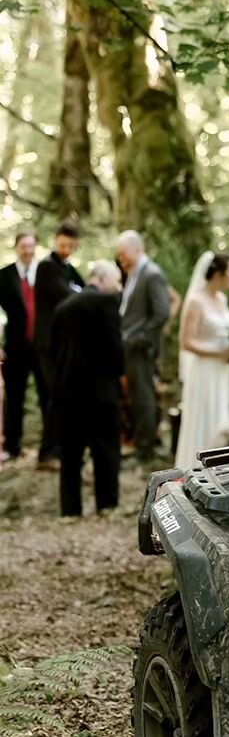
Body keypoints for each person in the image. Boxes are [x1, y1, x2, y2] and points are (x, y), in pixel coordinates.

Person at [51, 260, 124, 518]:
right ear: (102, 280)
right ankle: (107, 504)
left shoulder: (63, 307)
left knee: (71, 454)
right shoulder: (105, 303)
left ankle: (70, 510)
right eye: (116, 282)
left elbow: (53, 352)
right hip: (99, 390)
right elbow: (116, 350)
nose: (118, 288)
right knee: (105, 449)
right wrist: (119, 375)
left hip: (66, 391)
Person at [174, 251, 229, 468]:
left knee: (219, 417)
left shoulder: (222, 299)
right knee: (202, 418)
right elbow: (186, 342)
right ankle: (192, 467)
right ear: (218, 274)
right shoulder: (195, 301)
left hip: (223, 371)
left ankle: (216, 467)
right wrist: (218, 353)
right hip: (203, 370)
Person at [115, 230, 171, 462]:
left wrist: (139, 339)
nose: (121, 259)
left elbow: (162, 313)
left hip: (141, 349)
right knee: (137, 399)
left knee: (144, 398)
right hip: (130, 347)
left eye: (124, 254)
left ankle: (145, 449)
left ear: (138, 250)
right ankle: (140, 443)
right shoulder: (134, 273)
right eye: (119, 256)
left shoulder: (152, 274)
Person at [32, 222, 84, 469]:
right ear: (55, 240)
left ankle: (59, 448)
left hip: (62, 343)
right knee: (54, 396)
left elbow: (85, 289)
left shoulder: (68, 267)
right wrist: (78, 292)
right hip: (48, 343)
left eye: (71, 246)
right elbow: (70, 297)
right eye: (63, 245)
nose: (66, 250)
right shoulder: (46, 267)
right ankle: (47, 453)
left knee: (61, 395)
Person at [0, 230, 41, 463]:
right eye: (23, 246)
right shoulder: (4, 276)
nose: (27, 251)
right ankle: (12, 446)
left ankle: (50, 448)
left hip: (43, 348)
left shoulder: (46, 273)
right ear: (17, 248)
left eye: (31, 246)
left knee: (49, 397)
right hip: (15, 348)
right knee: (14, 399)